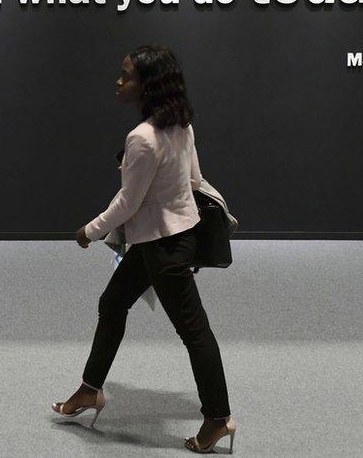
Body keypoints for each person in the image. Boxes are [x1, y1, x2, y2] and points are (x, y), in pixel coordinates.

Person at [51, 44, 237, 453]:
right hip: (169, 240)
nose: (119, 82)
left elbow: (127, 203)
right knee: (112, 304)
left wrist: (90, 231)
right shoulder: (181, 126)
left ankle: (219, 418)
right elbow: (193, 181)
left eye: (127, 75)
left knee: (194, 332)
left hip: (162, 249)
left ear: (149, 86)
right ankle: (90, 389)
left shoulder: (142, 138)